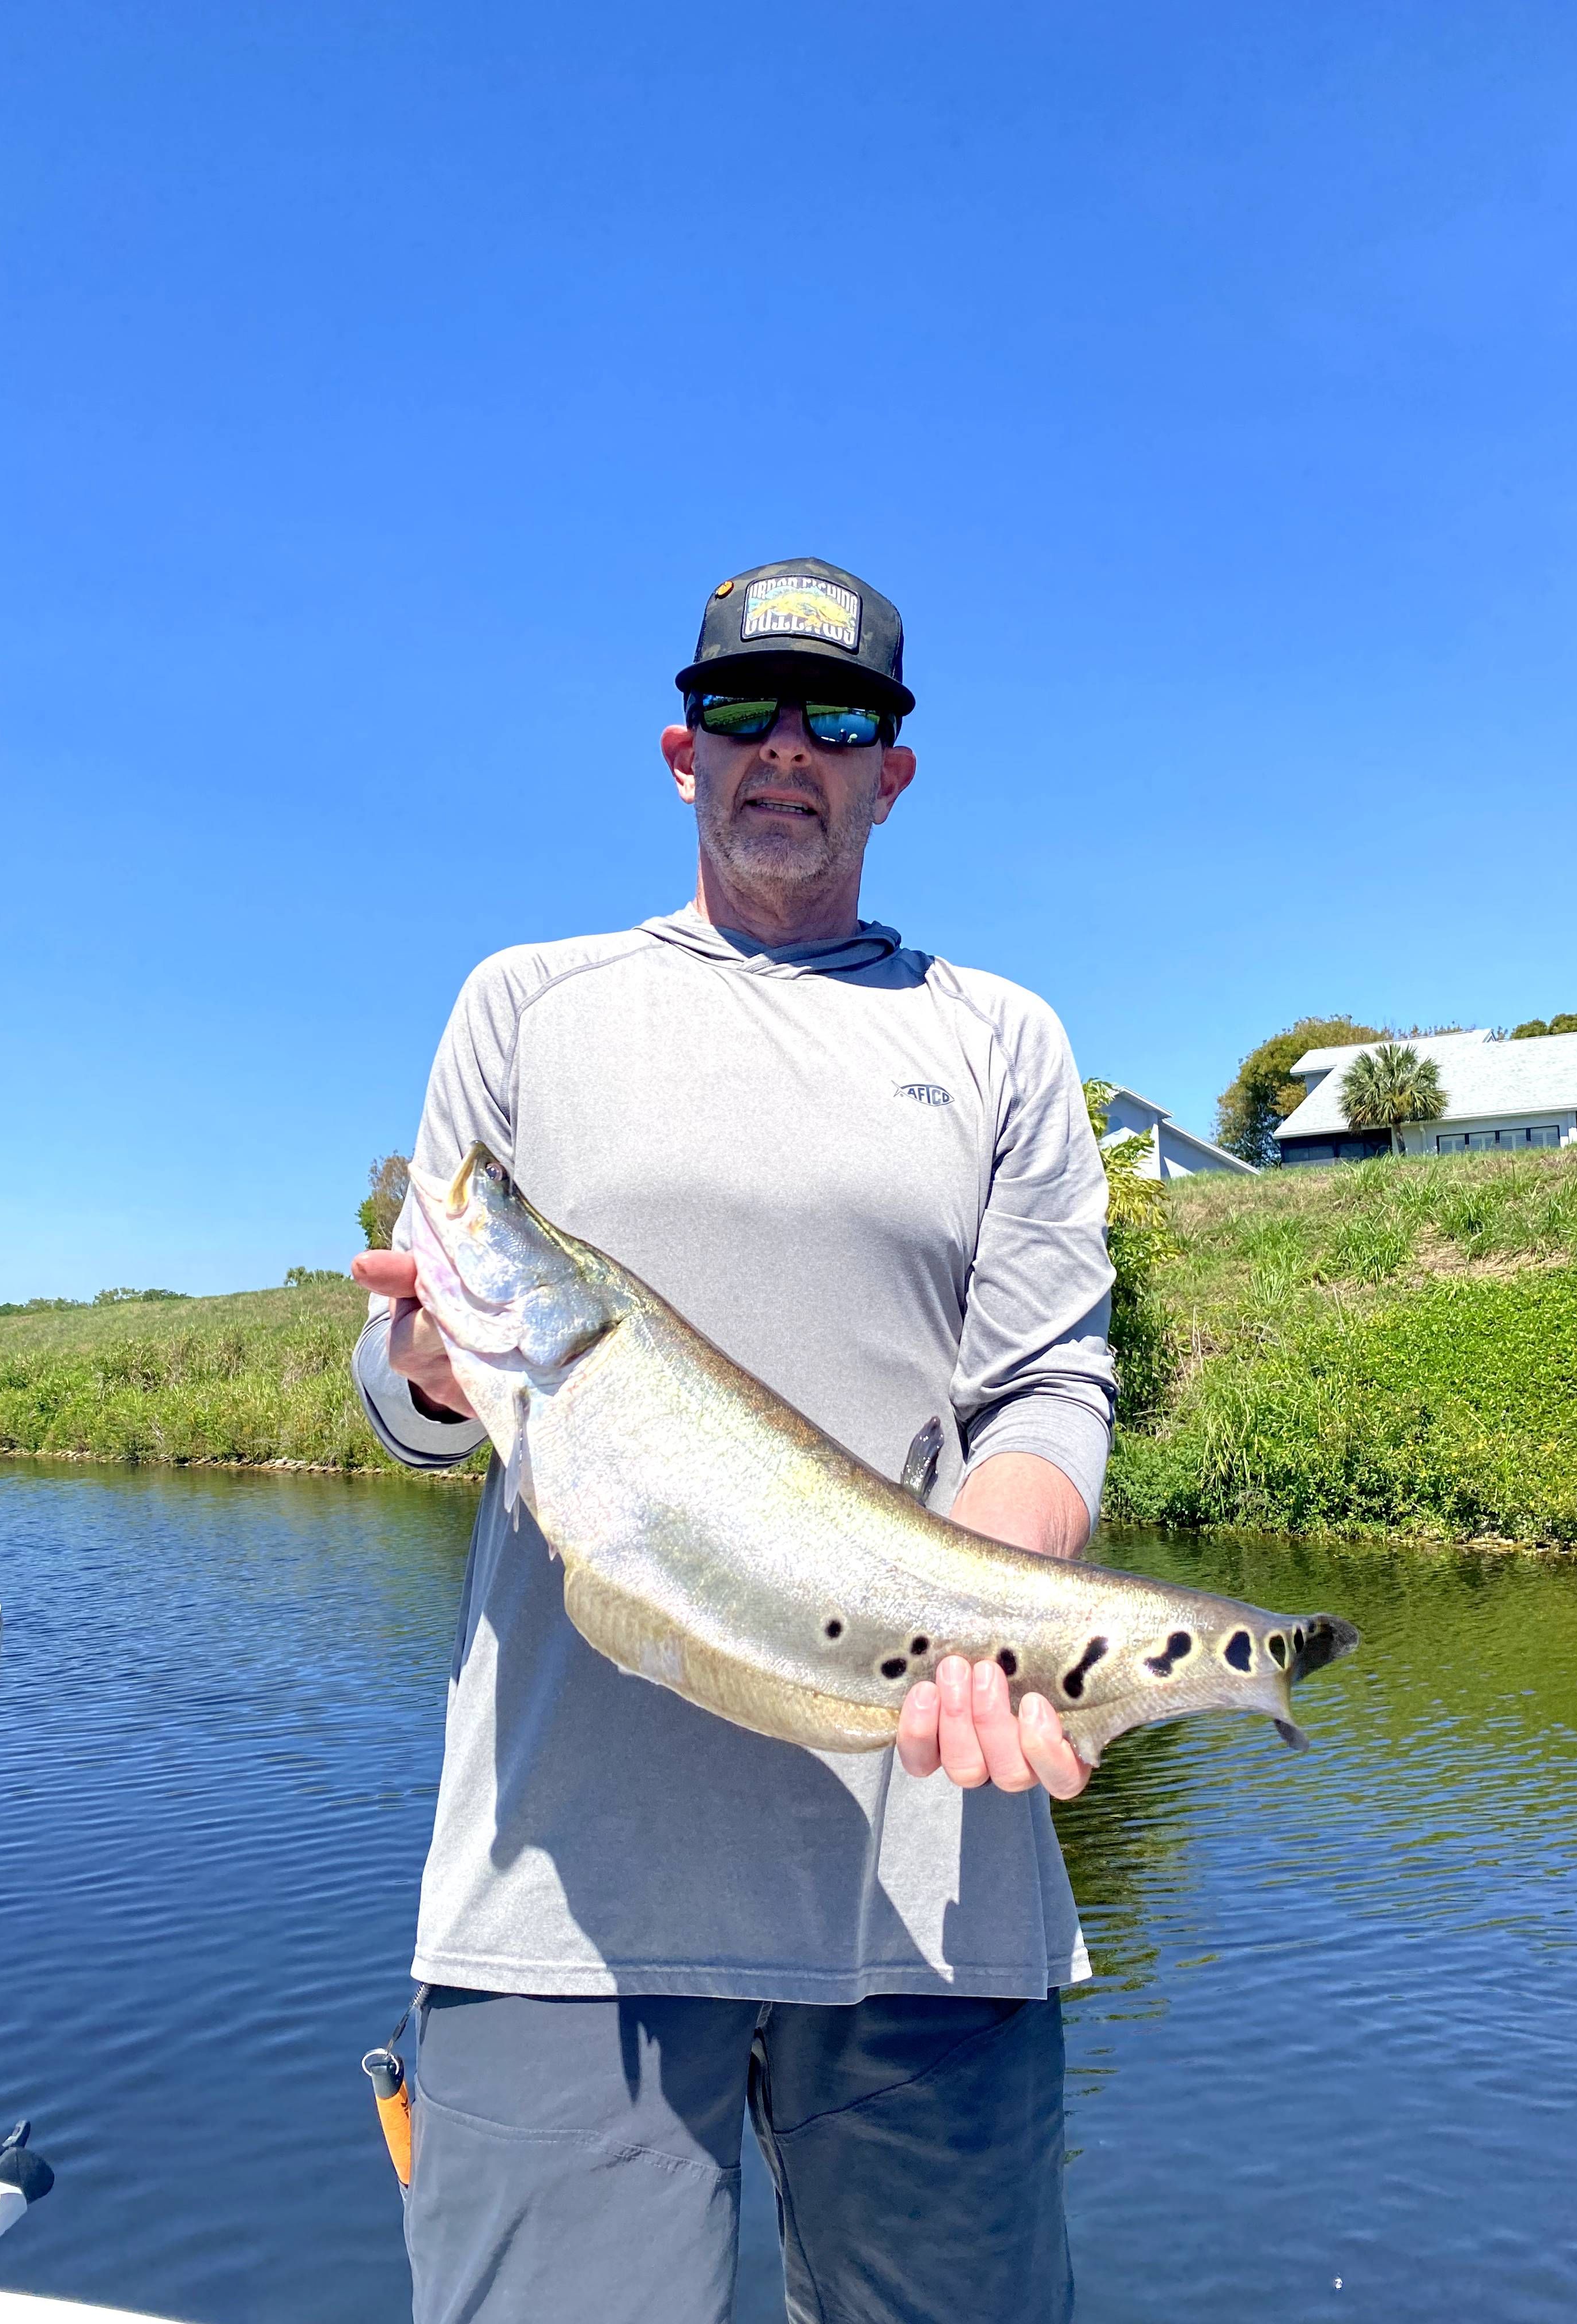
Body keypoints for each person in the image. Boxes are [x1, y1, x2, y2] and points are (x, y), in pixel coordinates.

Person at [351, 557, 1116, 2324]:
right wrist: (432, 1372)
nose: (790, 749)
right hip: (562, 1893)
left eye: (838, 717)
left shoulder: (1000, 1042)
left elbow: (1047, 1390)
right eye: (748, 713)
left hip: (934, 1877)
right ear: (679, 750)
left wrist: (1000, 1621)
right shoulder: (525, 1005)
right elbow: (399, 1399)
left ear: (892, 772)